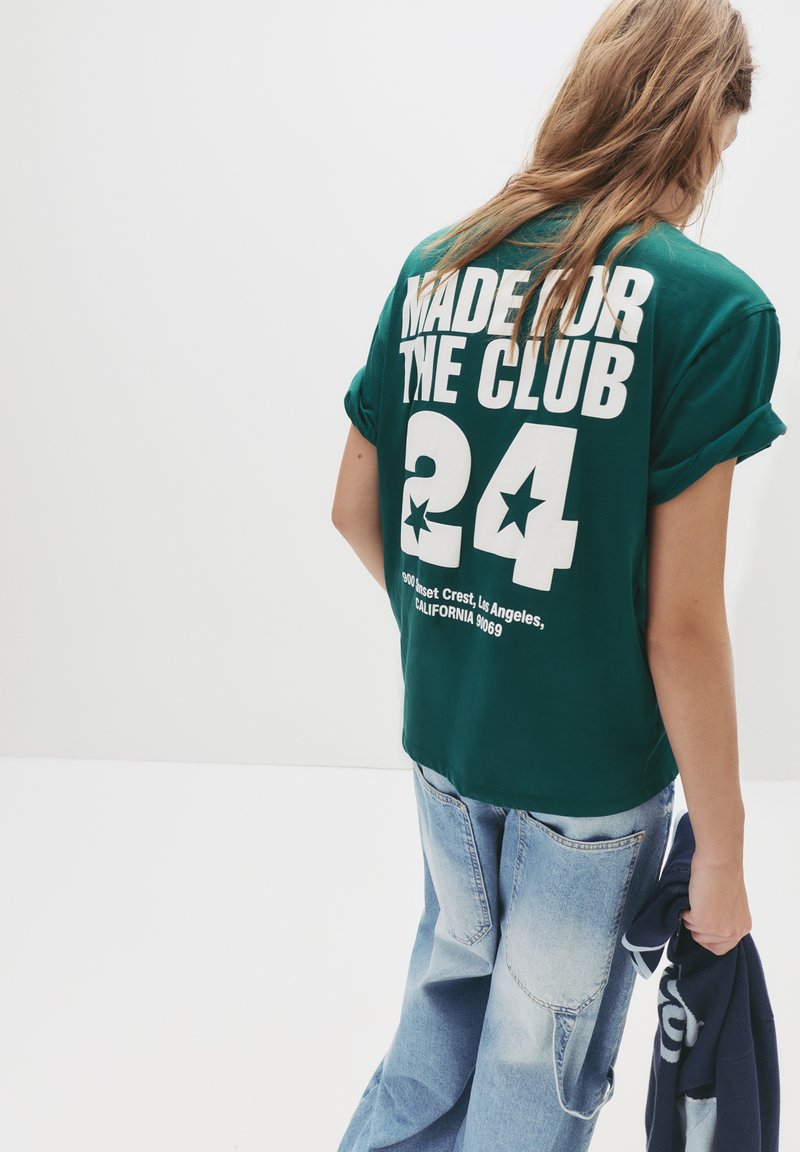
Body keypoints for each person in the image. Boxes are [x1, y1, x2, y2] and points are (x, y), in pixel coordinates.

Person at [330, 0, 787, 1148]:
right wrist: (722, 854)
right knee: (530, 1082)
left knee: (432, 1036)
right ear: (696, 118)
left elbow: (352, 510)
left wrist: (474, 637)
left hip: (447, 744)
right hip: (590, 785)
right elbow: (681, 625)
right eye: (719, 142)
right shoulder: (710, 307)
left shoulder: (434, 269)